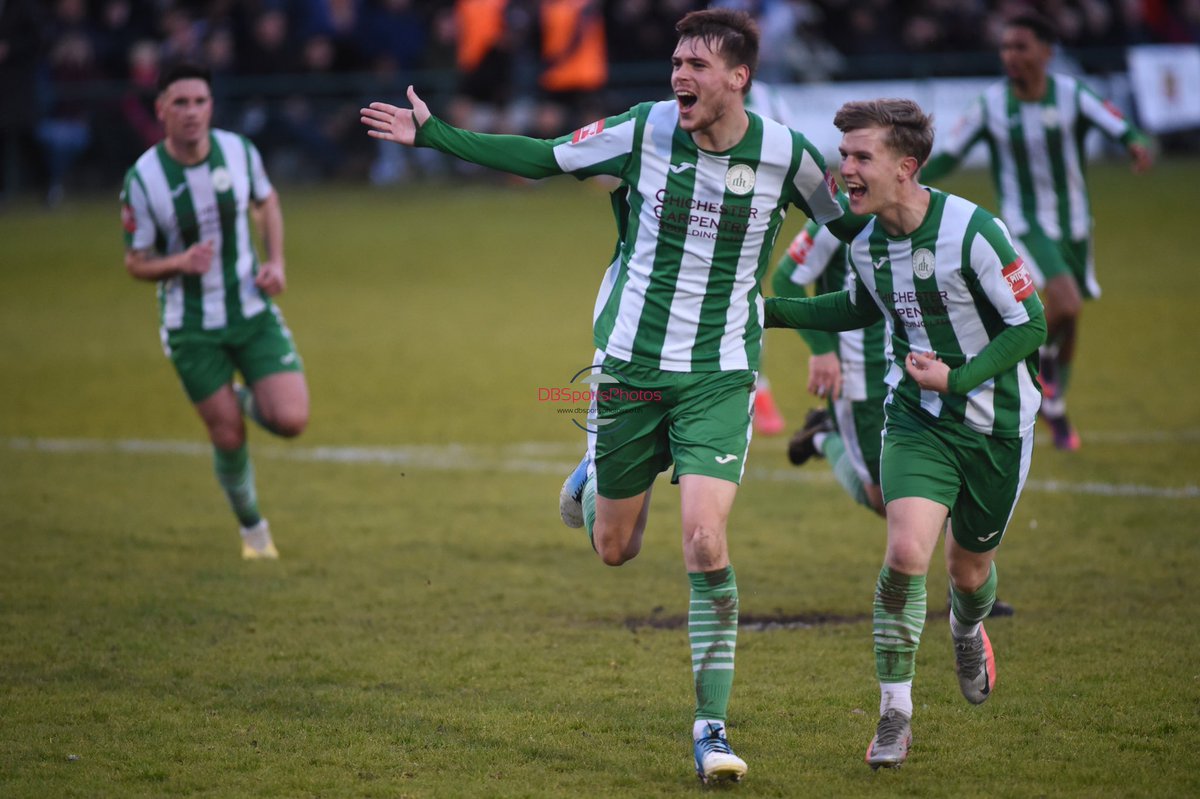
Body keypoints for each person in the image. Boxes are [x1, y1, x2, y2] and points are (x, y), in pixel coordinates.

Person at [361, 8, 863, 783]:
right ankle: (596, 471)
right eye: (675, 62)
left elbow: (847, 233)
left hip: (721, 375)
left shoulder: (789, 157)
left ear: (740, 78)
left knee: (704, 540)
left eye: (697, 65)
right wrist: (436, 135)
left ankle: (711, 727)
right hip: (629, 365)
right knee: (615, 548)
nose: (679, 76)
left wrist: (870, 295)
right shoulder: (644, 129)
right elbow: (544, 157)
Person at [764, 98, 1046, 769]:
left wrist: (960, 376)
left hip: (997, 426)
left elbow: (1030, 324)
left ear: (906, 167)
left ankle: (967, 625)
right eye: (844, 156)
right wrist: (766, 313)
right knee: (904, 555)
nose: (846, 170)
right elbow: (863, 302)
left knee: (968, 569)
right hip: (916, 419)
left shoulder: (975, 232)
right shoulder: (860, 238)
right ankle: (895, 711)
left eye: (862, 157)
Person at [921, 12, 1152, 450]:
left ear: (1046, 52)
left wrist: (1136, 144)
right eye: (1006, 47)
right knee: (1064, 302)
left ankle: (1056, 404)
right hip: (1026, 225)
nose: (1011, 56)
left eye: (1021, 47)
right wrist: (909, 172)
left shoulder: (1070, 94)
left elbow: (1121, 125)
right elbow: (949, 155)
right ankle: (1041, 369)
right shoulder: (991, 104)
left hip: (1076, 225)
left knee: (1073, 313)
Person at [774, 221, 1018, 617]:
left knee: (928, 487)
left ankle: (966, 583)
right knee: (882, 498)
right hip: (856, 379)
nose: (851, 168)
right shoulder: (833, 213)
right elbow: (786, 277)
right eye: (848, 157)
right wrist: (821, 349)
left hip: (909, 371)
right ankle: (824, 436)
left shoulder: (920, 219)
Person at [120, 63, 309, 560]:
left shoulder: (238, 152)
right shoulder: (143, 179)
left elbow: (266, 204)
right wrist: (179, 262)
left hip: (250, 309)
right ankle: (253, 531)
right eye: (180, 103)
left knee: (291, 419)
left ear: (211, 106)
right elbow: (135, 263)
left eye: (200, 101)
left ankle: (242, 397)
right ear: (160, 109)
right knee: (227, 433)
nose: (192, 113)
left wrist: (276, 262)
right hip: (191, 326)